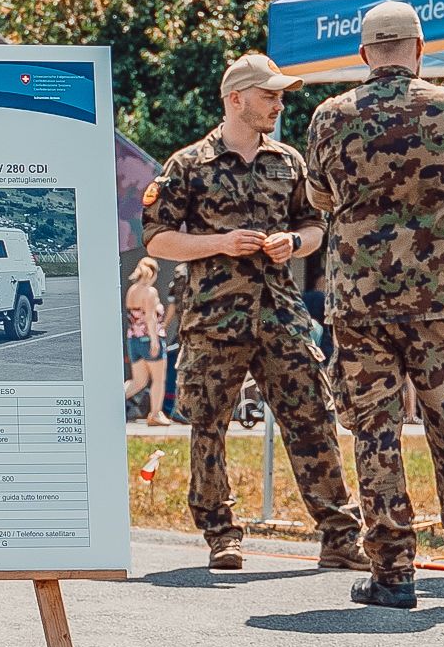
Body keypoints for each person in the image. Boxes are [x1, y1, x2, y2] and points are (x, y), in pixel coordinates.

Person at [304, 1, 444, 607]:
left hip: (361, 302)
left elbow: (319, 196)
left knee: (376, 432)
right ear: (420, 49)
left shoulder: (329, 117)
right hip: (442, 296)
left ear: (364, 55)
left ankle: (392, 573)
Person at [141, 56, 364, 573]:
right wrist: (220, 242)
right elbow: (157, 238)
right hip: (214, 316)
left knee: (312, 417)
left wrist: (293, 241)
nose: (279, 104)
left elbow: (315, 228)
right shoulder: (188, 165)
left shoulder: (287, 162)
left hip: (280, 314)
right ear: (236, 99)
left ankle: (340, 534)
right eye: (269, 96)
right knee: (209, 425)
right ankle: (221, 534)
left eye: (280, 96)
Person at [121, 259, 164, 422]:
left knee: (139, 381)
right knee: (158, 379)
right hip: (149, 338)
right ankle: (155, 414)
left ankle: (111, 403)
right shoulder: (150, 292)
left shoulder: (131, 290)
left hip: (133, 339)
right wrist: (155, 341)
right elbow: (150, 317)